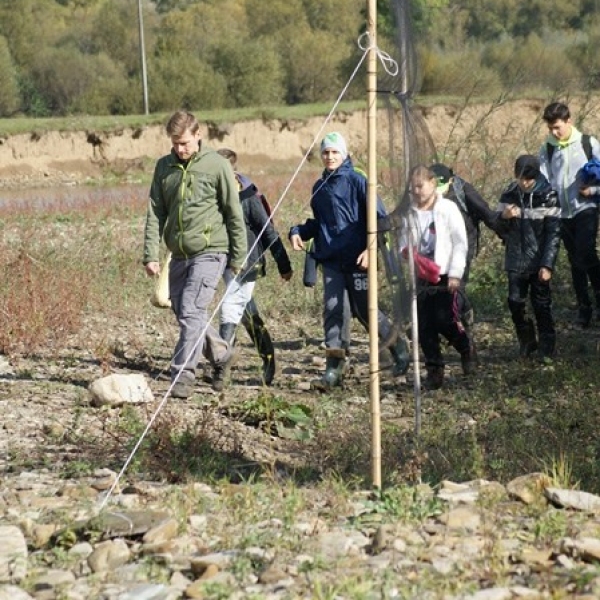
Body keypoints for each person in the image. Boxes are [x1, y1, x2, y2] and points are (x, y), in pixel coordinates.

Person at [289, 132, 409, 389]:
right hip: (332, 261)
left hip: (358, 259)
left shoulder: (359, 182)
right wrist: (297, 231)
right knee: (334, 310)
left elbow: (380, 220)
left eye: (335, 152)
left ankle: (398, 347)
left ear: (344, 154)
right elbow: (320, 224)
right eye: (326, 152)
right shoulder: (319, 188)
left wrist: (370, 249)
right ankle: (334, 368)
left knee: (367, 310)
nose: (330, 156)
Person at [143, 110, 247, 398]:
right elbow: (155, 211)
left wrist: (238, 257)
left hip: (211, 252)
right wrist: (150, 254)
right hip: (178, 254)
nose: (180, 149)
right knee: (184, 311)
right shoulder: (164, 167)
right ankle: (221, 353)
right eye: (175, 143)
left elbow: (233, 213)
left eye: (185, 143)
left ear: (198, 135)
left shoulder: (217, 165)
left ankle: (182, 375)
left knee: (191, 310)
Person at [216, 148, 293, 386]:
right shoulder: (211, 197)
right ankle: (268, 358)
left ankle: (220, 369)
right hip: (225, 262)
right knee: (247, 312)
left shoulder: (248, 197)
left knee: (230, 307)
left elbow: (267, 231)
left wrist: (283, 263)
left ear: (233, 171)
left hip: (249, 263)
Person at [403, 165, 471, 390]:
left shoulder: (448, 209)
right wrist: (406, 252)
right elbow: (403, 240)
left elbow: (460, 243)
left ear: (432, 184)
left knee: (445, 319)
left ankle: (465, 347)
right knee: (423, 325)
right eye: (413, 187)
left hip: (444, 274)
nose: (417, 191)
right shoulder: (410, 213)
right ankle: (434, 370)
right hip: (421, 275)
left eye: (420, 186)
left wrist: (455, 274)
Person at [540, 102, 600, 328]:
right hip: (562, 213)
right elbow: (544, 181)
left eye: (557, 127)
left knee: (586, 252)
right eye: (550, 128)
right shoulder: (547, 149)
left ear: (568, 121)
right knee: (575, 260)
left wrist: (592, 191)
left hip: (585, 208)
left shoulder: (588, 144)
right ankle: (584, 309)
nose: (554, 132)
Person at [495, 155, 561, 359]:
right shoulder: (509, 195)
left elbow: (553, 234)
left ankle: (547, 344)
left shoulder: (548, 196)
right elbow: (498, 228)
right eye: (521, 178)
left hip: (538, 259)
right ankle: (527, 339)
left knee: (541, 304)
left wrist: (547, 265)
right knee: (515, 302)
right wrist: (504, 217)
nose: (524, 183)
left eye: (528, 179)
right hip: (515, 259)